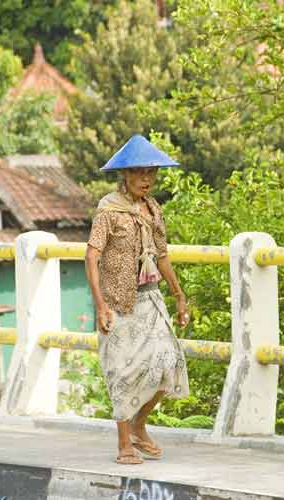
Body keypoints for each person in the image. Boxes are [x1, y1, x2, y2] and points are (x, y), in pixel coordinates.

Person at [85, 135, 190, 465]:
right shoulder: (108, 211)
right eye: (140, 173)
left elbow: (162, 255)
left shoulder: (153, 209)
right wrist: (100, 304)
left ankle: (138, 425)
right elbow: (91, 256)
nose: (147, 179)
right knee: (123, 372)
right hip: (117, 302)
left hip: (151, 298)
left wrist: (179, 296)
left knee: (169, 363)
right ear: (125, 175)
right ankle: (123, 446)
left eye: (152, 173)